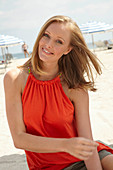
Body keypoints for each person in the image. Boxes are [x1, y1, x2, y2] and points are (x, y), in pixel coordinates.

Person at [4, 15, 113, 170]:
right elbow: (19, 139)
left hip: (83, 156)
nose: (48, 44)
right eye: (46, 36)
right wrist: (66, 145)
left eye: (59, 41)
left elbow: (86, 143)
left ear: (68, 49)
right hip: (47, 166)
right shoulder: (14, 79)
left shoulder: (75, 88)